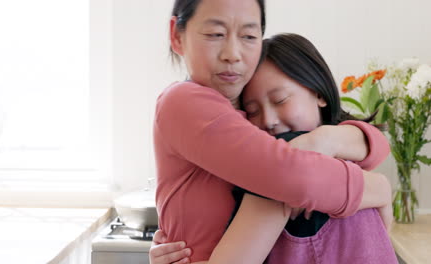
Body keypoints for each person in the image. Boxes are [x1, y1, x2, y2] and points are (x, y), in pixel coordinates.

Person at [152, 0, 392, 263]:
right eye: (215, 34)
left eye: (249, 36)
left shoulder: (254, 128)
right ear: (177, 35)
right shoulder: (185, 101)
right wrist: (376, 188)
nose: (232, 53)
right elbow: (289, 174)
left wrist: (329, 140)